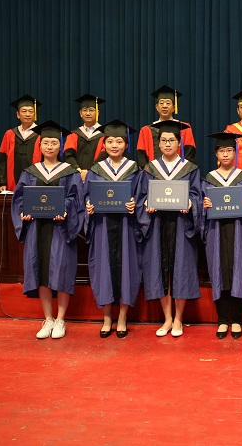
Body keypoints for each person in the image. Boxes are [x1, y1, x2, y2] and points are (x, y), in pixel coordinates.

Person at [11, 121, 83, 339]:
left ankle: (60, 319)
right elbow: (19, 198)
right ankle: (48, 319)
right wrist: (24, 212)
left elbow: (76, 199)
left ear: (60, 145)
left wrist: (65, 209)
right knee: (40, 271)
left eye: (54, 143)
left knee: (61, 271)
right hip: (37, 228)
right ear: (40, 145)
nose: (50, 147)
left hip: (60, 229)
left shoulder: (69, 172)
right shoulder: (30, 172)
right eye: (46, 143)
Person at [137, 120, 202, 337]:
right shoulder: (150, 169)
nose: (167, 144)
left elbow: (197, 194)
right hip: (157, 224)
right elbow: (141, 196)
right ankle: (167, 318)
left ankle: (178, 319)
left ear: (179, 143)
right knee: (160, 269)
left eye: (171, 140)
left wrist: (191, 203)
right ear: (158, 143)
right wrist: (146, 203)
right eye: (163, 140)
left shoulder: (190, 168)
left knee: (180, 269)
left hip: (181, 224)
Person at [83, 119, 142, 339]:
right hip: (102, 225)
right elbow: (86, 195)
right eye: (110, 141)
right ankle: (107, 317)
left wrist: (135, 204)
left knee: (126, 268)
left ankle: (123, 317)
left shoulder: (135, 169)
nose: (114, 145)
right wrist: (88, 205)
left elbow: (142, 196)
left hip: (126, 226)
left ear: (126, 144)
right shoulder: (95, 170)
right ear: (104, 144)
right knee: (104, 269)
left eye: (119, 141)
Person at [201, 132, 242, 339]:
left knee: (238, 271)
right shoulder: (208, 179)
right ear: (216, 153)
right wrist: (204, 205)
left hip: (239, 230)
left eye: (229, 150)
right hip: (216, 231)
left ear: (235, 153)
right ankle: (223, 320)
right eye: (222, 150)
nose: (225, 154)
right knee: (219, 273)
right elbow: (199, 206)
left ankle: (237, 320)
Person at [136, 86, 197, 169]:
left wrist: (182, 172)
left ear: (174, 107)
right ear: (157, 107)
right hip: (153, 174)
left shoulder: (185, 128)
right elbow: (141, 157)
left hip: (179, 173)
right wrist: (149, 173)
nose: (164, 106)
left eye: (168, 103)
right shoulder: (146, 130)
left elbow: (189, 155)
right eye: (161, 103)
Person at [0, 94, 42, 192]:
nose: (28, 114)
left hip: (37, 183)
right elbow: (2, 160)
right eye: (24, 111)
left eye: (31, 111)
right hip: (12, 183)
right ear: (18, 114)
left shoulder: (41, 134)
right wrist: (2, 182)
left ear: (35, 114)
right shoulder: (9, 134)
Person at [64, 94, 105, 182]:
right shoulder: (73, 134)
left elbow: (104, 155)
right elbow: (68, 155)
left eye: (91, 110)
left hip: (98, 176)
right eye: (85, 110)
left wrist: (89, 172)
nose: (88, 113)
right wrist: (78, 169)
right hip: (76, 176)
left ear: (98, 112)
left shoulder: (105, 134)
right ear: (80, 113)